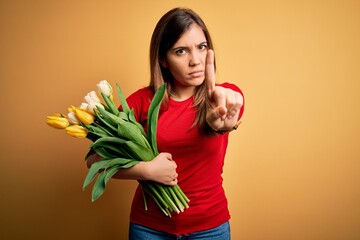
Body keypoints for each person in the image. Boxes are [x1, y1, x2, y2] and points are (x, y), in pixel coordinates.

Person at [88, 7, 244, 240]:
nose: (195, 61)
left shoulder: (223, 96)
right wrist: (146, 170)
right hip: (150, 228)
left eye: (201, 47)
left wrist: (221, 122)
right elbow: (94, 160)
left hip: (210, 227)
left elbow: (231, 108)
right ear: (162, 59)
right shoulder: (142, 101)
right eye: (181, 51)